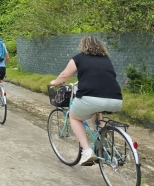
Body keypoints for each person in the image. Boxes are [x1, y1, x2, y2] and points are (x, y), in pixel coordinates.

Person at [49, 35, 123, 166]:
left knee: (74, 117)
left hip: (91, 99)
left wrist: (55, 83)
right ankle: (102, 146)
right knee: (97, 113)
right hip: (116, 100)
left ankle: (87, 151)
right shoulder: (106, 59)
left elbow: (65, 75)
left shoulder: (79, 58)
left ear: (83, 46)